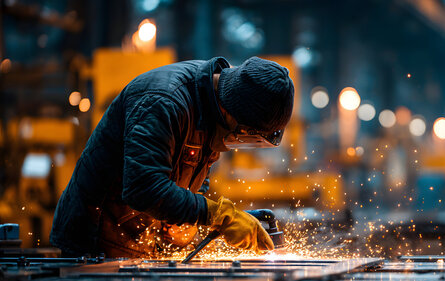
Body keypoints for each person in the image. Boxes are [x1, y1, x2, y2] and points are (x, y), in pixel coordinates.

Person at [50, 56, 295, 257]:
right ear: (230, 113)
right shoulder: (163, 102)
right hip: (96, 241)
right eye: (240, 136)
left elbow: (194, 170)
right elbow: (142, 188)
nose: (232, 144)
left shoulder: (212, 100)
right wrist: (214, 215)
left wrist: (186, 217)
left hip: (139, 242)